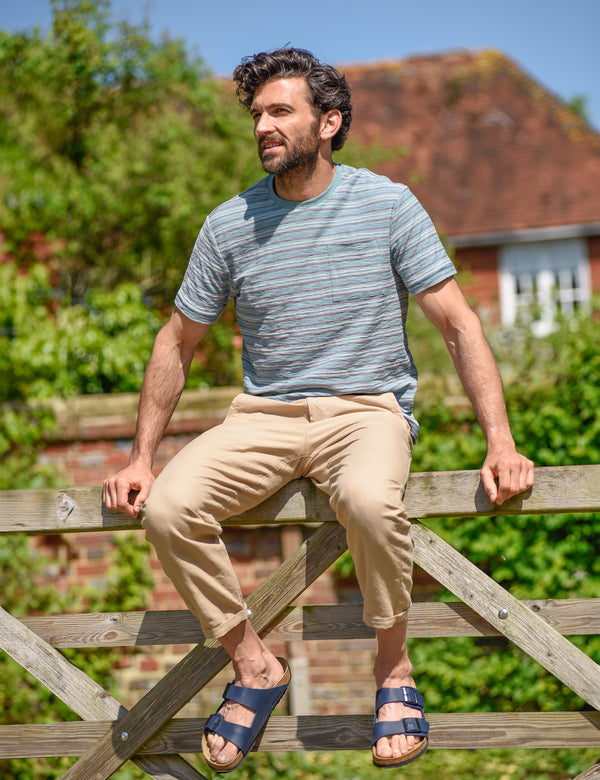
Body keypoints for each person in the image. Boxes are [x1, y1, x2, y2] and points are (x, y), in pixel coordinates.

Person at [103, 47, 534, 772]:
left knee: (368, 501)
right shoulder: (229, 225)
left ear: (329, 121)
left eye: (280, 112)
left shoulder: (388, 205)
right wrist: (142, 456)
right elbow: (177, 341)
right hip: (261, 419)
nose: (263, 127)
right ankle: (254, 666)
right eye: (257, 115)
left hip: (367, 412)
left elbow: (460, 324)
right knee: (171, 507)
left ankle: (393, 670)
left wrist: (502, 441)